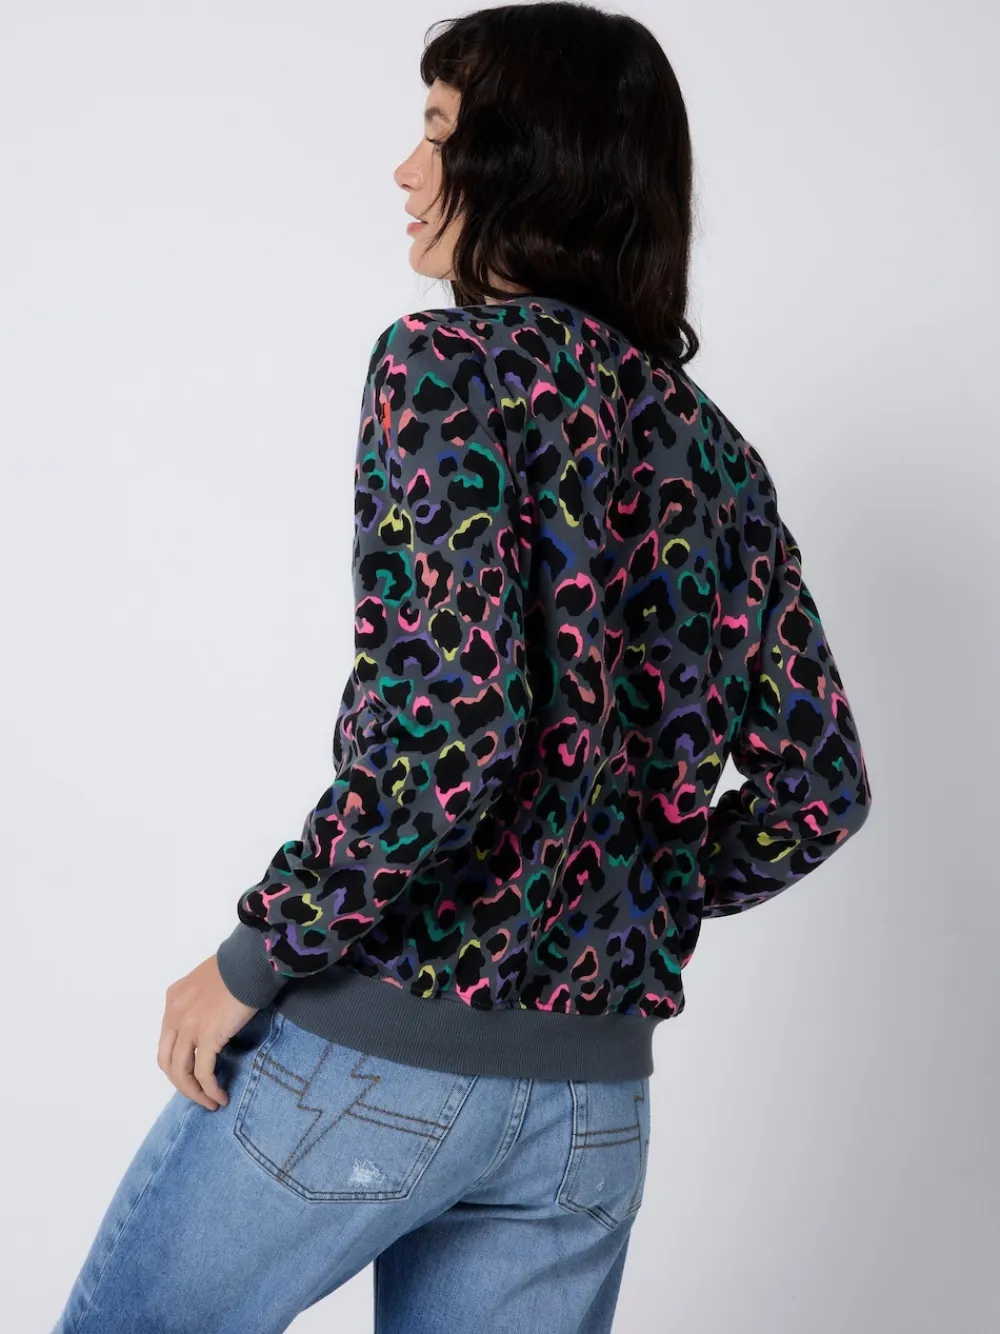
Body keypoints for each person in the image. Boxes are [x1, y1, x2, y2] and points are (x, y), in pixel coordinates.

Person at [52, 3, 873, 1331]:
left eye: (438, 131)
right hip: (591, 1110)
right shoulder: (717, 456)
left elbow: (455, 730)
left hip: (377, 1056)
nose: (405, 169)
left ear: (526, 162)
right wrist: (633, 885)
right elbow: (816, 790)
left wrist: (253, 956)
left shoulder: (445, 368)